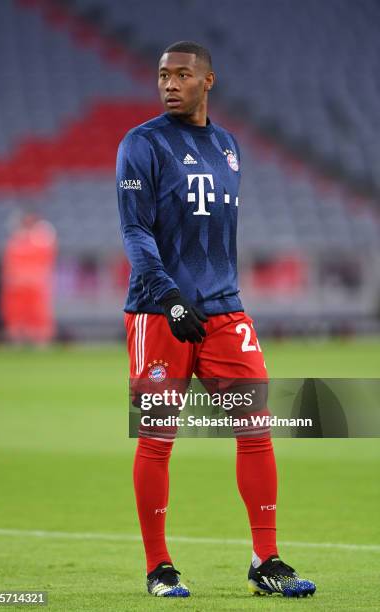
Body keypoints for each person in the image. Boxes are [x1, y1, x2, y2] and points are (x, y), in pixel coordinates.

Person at [116, 41, 316, 599]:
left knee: (255, 428)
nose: (169, 83)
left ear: (209, 81)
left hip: (225, 310)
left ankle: (266, 559)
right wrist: (170, 295)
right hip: (160, 313)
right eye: (162, 75)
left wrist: (206, 296)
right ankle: (159, 567)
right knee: (158, 437)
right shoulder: (142, 143)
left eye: (182, 74)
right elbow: (134, 230)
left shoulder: (228, 146)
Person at [1, 213, 57, 346]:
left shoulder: (42, 238)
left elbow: (45, 262)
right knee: (16, 315)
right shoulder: (15, 240)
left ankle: (41, 344)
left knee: (38, 315)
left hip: (35, 286)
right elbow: (10, 265)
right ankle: (17, 342)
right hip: (17, 286)